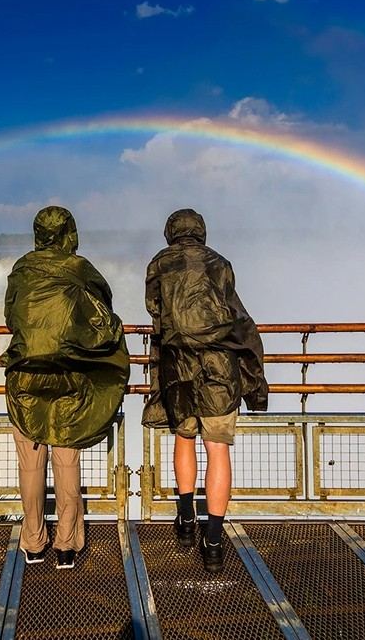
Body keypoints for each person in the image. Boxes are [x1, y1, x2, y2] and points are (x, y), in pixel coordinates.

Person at [0, 206, 129, 569]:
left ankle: (34, 542)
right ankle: (68, 545)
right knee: (66, 459)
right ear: (70, 232)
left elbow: (11, 318)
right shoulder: (78, 269)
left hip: (25, 376)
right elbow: (104, 312)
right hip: (69, 376)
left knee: (30, 463)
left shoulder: (22, 269)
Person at [143, 209, 268, 573]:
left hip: (178, 365)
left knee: (184, 440)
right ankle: (213, 541)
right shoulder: (220, 264)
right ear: (201, 231)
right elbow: (235, 314)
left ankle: (185, 520)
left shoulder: (159, 263)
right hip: (219, 368)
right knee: (218, 450)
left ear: (170, 232)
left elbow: (155, 308)